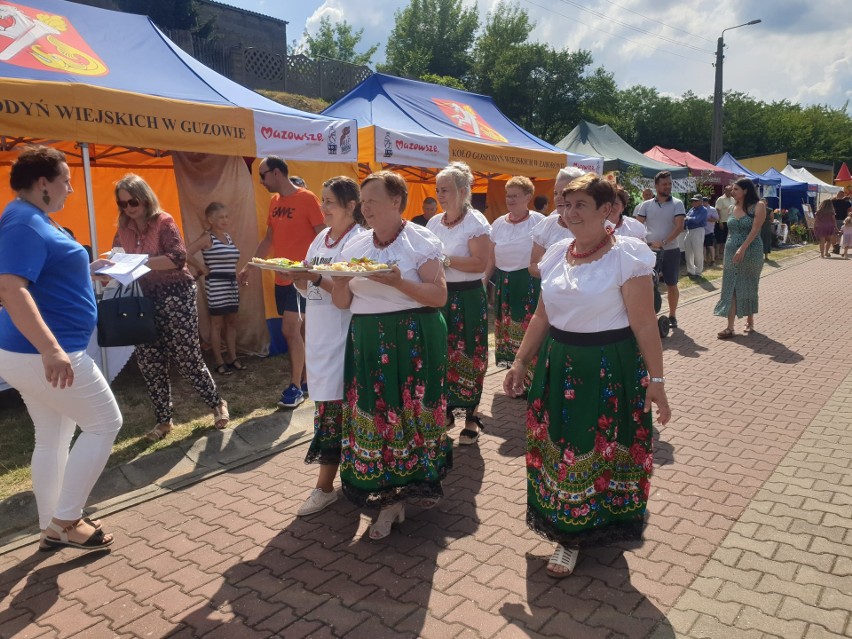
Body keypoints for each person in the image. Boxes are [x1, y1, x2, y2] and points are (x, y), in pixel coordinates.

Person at [503, 173, 670, 578]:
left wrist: (658, 382)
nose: (569, 212)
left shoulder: (627, 256)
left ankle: (574, 536)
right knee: (559, 445)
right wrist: (522, 360)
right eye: (565, 203)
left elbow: (645, 324)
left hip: (608, 365)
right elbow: (543, 314)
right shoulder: (558, 252)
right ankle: (568, 526)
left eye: (580, 205)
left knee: (594, 446)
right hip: (558, 362)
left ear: (607, 210)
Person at [0, 145, 121, 551]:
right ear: (43, 183)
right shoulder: (24, 222)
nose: (71, 188)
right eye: (66, 180)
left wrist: (87, 274)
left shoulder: (32, 218)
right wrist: (52, 349)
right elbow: (10, 288)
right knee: (106, 423)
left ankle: (51, 525)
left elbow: (42, 278)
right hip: (44, 352)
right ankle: (67, 521)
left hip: (31, 352)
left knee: (51, 436)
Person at [331, 171, 452, 540]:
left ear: (396, 202)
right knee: (378, 414)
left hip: (414, 337)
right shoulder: (354, 245)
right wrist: (334, 280)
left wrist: (399, 281)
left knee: (409, 415)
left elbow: (439, 296)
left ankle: (402, 495)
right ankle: (389, 498)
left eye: (372, 200)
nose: (364, 208)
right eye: (362, 201)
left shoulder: (420, 240)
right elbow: (343, 302)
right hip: (368, 338)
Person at [113, 174, 229, 440]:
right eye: (123, 204)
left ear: (144, 198)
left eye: (133, 202)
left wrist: (138, 261)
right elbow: (117, 257)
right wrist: (108, 267)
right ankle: (164, 421)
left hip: (176, 292)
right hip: (145, 298)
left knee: (187, 357)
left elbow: (177, 258)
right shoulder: (123, 228)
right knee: (150, 361)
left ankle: (216, 403)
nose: (129, 208)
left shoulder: (163, 222)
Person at [291, 177, 366, 516]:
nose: (323, 208)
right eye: (322, 200)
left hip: (346, 333)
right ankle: (340, 482)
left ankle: (326, 486)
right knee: (327, 404)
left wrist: (316, 278)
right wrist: (299, 279)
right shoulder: (321, 237)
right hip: (320, 331)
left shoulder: (360, 241)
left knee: (339, 410)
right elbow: (312, 283)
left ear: (351, 206)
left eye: (330, 202)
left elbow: (350, 293)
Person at [239, 156, 324, 409]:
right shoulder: (274, 202)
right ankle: (308, 380)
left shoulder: (307, 199)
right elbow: (269, 239)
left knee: (289, 330)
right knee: (299, 331)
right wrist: (251, 265)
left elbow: (323, 236)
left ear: (276, 173)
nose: (261, 181)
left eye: (262, 175)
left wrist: (309, 270)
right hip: (280, 277)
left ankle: (295, 387)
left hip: (301, 278)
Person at [428, 162, 491, 445]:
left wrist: (446, 261)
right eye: (438, 189)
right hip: (440, 295)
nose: (440, 195)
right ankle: (447, 411)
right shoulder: (433, 223)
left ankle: (471, 417)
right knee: (442, 353)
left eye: (446, 190)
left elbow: (481, 262)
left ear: (463, 191)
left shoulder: (475, 222)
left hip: (467, 296)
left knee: (469, 354)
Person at [487, 176, 545, 385]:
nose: (510, 199)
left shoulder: (539, 221)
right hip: (505, 282)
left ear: (528, 197)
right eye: (508, 195)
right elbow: (491, 257)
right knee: (508, 328)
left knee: (529, 328)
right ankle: (515, 376)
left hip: (528, 282)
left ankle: (531, 379)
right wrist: (485, 280)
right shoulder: (498, 223)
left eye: (515, 196)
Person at [186, 202, 243, 376]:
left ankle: (232, 358)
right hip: (216, 285)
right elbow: (185, 253)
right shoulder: (207, 237)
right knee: (217, 324)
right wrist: (200, 267)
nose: (225, 220)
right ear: (210, 219)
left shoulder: (228, 236)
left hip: (231, 284)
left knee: (232, 322)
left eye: (226, 216)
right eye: (220, 217)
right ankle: (218, 361)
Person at [714, 178, 766, 338]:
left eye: (736, 189)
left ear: (745, 190)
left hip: (751, 250)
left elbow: (756, 230)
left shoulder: (758, 206)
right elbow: (730, 231)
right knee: (731, 286)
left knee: (749, 284)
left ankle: (750, 321)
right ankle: (729, 327)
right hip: (731, 252)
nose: (732, 191)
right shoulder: (731, 208)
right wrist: (729, 251)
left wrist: (742, 248)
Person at [635, 171, 685, 328]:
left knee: (671, 283)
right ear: (656, 186)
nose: (668, 187)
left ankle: (672, 315)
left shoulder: (677, 203)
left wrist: (664, 242)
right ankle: (649, 315)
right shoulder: (646, 205)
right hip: (650, 251)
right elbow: (637, 226)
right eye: (664, 184)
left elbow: (679, 226)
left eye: (670, 184)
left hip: (670, 250)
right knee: (648, 284)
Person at [529, 167, 585, 278]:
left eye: (563, 193)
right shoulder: (546, 225)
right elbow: (533, 265)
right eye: (555, 193)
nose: (558, 198)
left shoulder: (596, 226)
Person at [683, 195, 708, 279]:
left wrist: (687, 218)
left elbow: (697, 220)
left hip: (698, 230)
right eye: (693, 201)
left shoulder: (703, 210)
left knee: (698, 252)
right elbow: (685, 219)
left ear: (701, 201)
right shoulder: (691, 209)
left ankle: (698, 272)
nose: (693, 202)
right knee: (688, 251)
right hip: (689, 230)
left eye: (695, 201)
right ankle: (690, 270)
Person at [714, 185, 735, 262]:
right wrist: (719, 222)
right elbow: (717, 210)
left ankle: (723, 253)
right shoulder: (721, 199)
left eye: (730, 190)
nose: (729, 192)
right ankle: (717, 254)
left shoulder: (733, 199)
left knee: (727, 238)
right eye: (727, 190)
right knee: (720, 239)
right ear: (725, 191)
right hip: (722, 221)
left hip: (730, 221)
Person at [702, 196, 719, 267]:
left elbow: (716, 219)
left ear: (706, 202)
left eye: (703, 202)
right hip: (702, 231)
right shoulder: (701, 209)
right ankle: (704, 261)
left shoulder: (712, 209)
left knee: (710, 246)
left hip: (709, 231)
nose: (702, 203)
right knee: (703, 246)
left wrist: (708, 219)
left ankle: (713, 260)